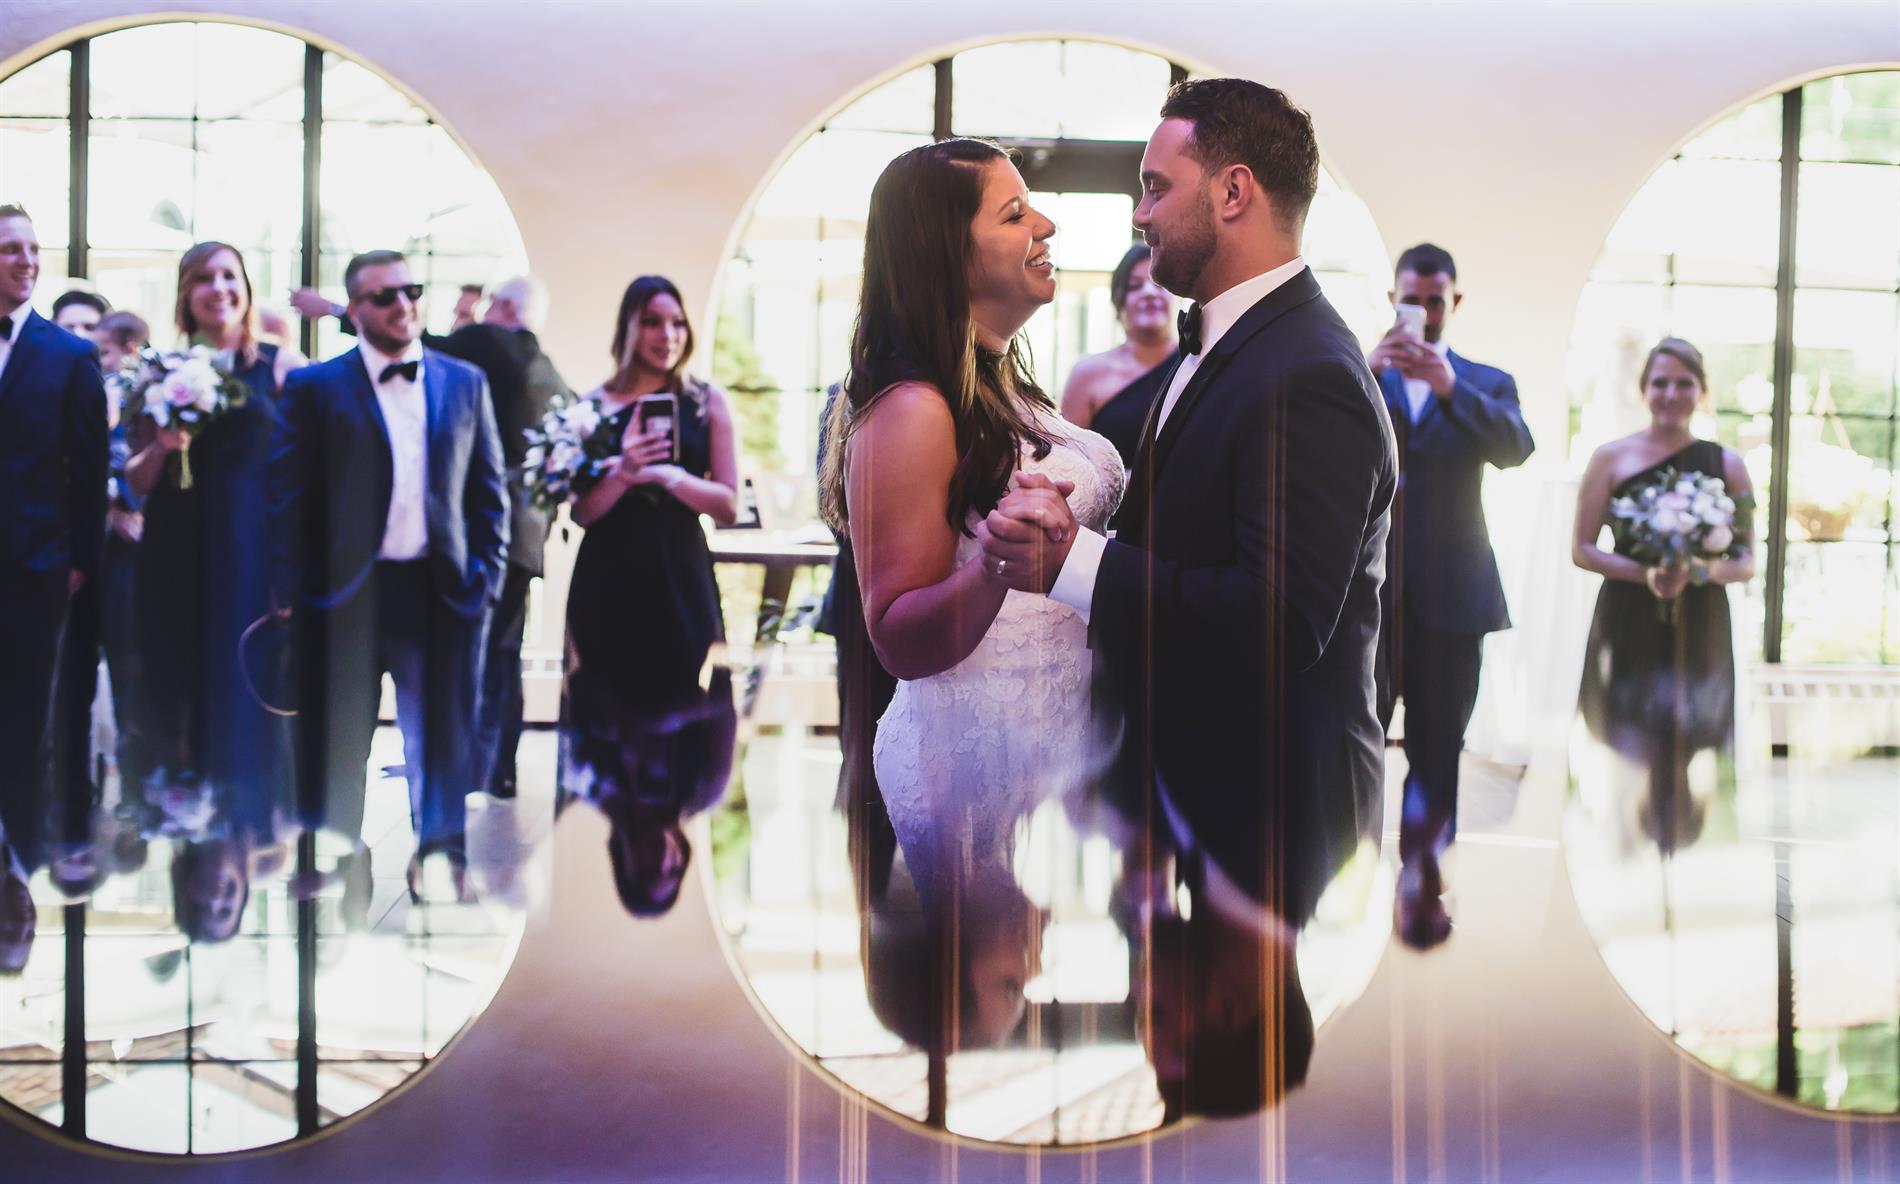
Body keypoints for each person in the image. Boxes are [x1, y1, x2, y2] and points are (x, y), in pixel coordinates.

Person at [981, 81, 1395, 1044]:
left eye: (1155, 186)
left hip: (1272, 804)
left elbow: (1277, 619)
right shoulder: (1230, 345)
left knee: (1228, 1009)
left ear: (1234, 192)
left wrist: (1073, 562)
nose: (1139, 214)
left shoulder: (1310, 373)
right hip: (1205, 781)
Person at [817, 138, 1125, 909]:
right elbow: (895, 635)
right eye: (1015, 214)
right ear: (945, 252)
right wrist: (995, 562)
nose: (1045, 225)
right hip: (970, 771)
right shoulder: (912, 409)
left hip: (1051, 753)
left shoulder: (998, 384)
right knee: (988, 966)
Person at [270, 249, 508, 902]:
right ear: (354, 309)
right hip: (343, 594)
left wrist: (484, 578)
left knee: (440, 741)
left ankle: (439, 863)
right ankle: (337, 866)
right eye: (384, 296)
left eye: (411, 290)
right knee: (339, 741)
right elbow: (287, 496)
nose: (402, 304)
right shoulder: (317, 387)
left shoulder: (465, 382)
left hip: (440, 590)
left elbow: (489, 493)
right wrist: (292, 591)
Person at [1366, 242, 1535, 948]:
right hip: (1368, 600)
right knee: (1357, 739)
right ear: (1394, 299)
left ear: (1454, 302)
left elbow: (1518, 448)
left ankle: (1426, 875)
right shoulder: (1360, 373)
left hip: (1456, 599)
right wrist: (1366, 373)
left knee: (1439, 750)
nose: (1424, 311)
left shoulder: (1486, 381)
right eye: (1412, 298)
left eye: (1436, 300)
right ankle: (1346, 866)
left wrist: (1448, 388)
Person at [125, 243, 304, 823]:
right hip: (175, 547)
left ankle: (255, 822)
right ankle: (184, 812)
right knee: (176, 675)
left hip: (250, 547)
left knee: (245, 678)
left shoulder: (282, 367)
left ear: (246, 287)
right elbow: (135, 480)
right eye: (204, 278)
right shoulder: (158, 371)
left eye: (230, 275)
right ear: (185, 293)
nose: (219, 288)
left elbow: (305, 472)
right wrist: (163, 444)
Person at [1573, 337, 1753, 854]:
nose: (1671, 394)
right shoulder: (1610, 458)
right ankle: (1635, 821)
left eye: (1684, 383)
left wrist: (1697, 571)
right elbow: (1582, 549)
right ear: (1643, 389)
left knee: (1688, 730)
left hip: (1701, 616)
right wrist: (1646, 575)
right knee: (1635, 727)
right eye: (1660, 383)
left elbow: (1746, 562)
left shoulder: (1729, 465)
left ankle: (1680, 827)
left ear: (1702, 391)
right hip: (1628, 613)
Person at [565, 275, 737, 712]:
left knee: (685, 708)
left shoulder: (706, 403)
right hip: (607, 577)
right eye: (652, 322)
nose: (668, 335)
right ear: (628, 328)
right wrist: (625, 472)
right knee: (605, 711)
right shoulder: (591, 408)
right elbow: (583, 513)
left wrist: (668, 477)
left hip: (680, 572)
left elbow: (728, 506)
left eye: (677, 322)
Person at [431, 275, 572, 799]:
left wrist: (337, 311)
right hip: (528, 535)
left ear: (508, 308)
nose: (481, 315)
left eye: (490, 305)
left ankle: (461, 763)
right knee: (506, 650)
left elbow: (418, 345)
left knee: (466, 644)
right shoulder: (553, 376)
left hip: (483, 526)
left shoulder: (490, 343)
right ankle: (499, 768)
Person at [0, 205, 108, 880]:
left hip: (34, 567)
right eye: (11, 248)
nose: (27, 260)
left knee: (24, 722)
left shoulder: (69, 355)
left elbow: (89, 467)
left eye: (33, 248)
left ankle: (21, 867)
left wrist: (78, 562)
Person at [1059, 242, 1177, 464]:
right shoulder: (1087, 374)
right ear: (1118, 301)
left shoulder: (1196, 363)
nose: (1149, 293)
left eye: (1159, 284)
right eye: (1134, 286)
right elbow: (1069, 461)